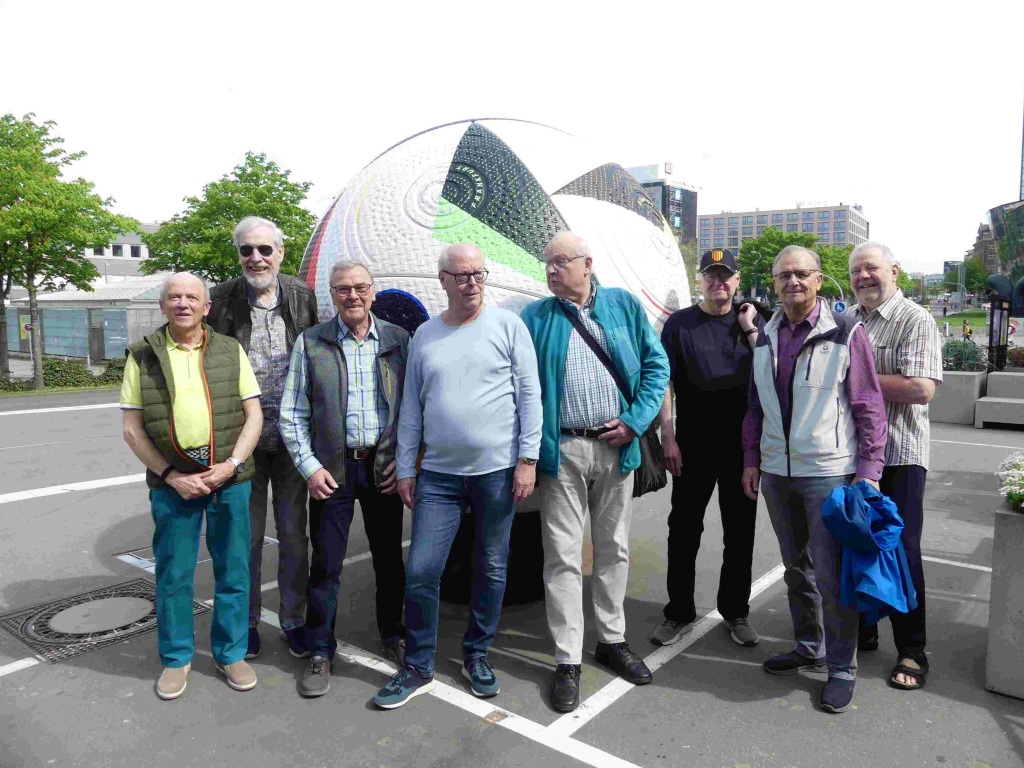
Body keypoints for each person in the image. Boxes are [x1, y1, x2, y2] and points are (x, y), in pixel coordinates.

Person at [372, 242, 542, 710]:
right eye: (462, 275)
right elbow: (411, 409)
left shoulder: (508, 326)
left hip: (496, 471)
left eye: (478, 275)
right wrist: (406, 467)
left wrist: (527, 459)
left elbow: (530, 395)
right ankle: (418, 664)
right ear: (442, 279)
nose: (471, 283)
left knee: (491, 567)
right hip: (439, 477)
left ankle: (477, 655)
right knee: (423, 570)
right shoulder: (426, 335)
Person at [520, 232, 670, 713]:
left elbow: (656, 364)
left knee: (614, 549)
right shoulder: (536, 317)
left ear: (587, 264)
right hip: (561, 450)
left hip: (616, 448)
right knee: (561, 555)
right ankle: (567, 659)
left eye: (560, 262)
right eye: (547, 263)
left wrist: (635, 420)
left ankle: (611, 639)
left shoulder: (623, 305)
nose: (551, 271)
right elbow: (520, 383)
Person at [740, 245, 887, 714]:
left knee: (831, 575)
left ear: (820, 280)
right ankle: (809, 645)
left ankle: (841, 667)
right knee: (796, 569)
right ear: (773, 283)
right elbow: (755, 407)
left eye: (801, 274)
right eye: (783, 275)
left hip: (827, 472)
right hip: (777, 474)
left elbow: (868, 405)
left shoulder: (845, 331)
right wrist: (751, 460)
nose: (792, 282)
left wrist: (869, 472)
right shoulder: (764, 337)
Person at [120, 272, 263, 700]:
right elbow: (132, 428)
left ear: (207, 306)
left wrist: (232, 465)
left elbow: (253, 414)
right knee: (175, 574)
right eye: (174, 297)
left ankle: (230, 652)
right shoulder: (141, 356)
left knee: (234, 569)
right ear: (163, 306)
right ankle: (177, 659)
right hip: (173, 482)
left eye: (192, 297)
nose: (183, 304)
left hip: (229, 478)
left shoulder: (230, 349)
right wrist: (171, 477)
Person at [278, 260, 410, 698]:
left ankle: (394, 635)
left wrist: (405, 461)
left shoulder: (397, 340)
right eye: (342, 290)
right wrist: (309, 467)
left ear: (373, 292)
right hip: (331, 470)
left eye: (360, 288)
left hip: (382, 467)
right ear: (331, 295)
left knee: (390, 560)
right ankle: (320, 650)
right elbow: (292, 413)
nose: (352, 296)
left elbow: (413, 409)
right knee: (327, 565)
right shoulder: (312, 342)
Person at [208, 216, 320, 660]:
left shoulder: (301, 295)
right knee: (245, 538)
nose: (256, 258)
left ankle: (293, 620)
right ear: (238, 254)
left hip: (292, 438)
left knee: (294, 535)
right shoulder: (218, 300)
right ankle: (247, 622)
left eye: (264, 250)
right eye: (246, 250)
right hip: (242, 441)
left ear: (280, 253)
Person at [652, 248, 762, 649]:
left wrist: (751, 328)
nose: (719, 282)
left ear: (737, 279)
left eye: (726, 275)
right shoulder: (679, 325)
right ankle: (678, 611)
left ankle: (736, 612)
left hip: (743, 450)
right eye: (710, 275)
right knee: (683, 531)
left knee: (740, 532)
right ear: (699, 280)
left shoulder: (754, 322)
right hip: (692, 446)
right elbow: (663, 382)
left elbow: (770, 374)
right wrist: (668, 435)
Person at [848, 242, 942, 691]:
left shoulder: (915, 319)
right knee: (855, 543)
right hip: (856, 454)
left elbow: (921, 388)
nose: (864, 276)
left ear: (895, 272)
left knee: (901, 549)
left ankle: (911, 648)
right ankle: (864, 627)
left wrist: (853, 379)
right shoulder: (848, 319)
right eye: (856, 270)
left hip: (901, 454)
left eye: (872, 268)